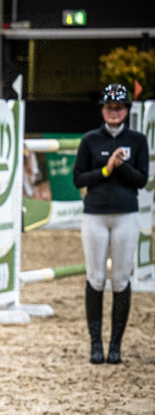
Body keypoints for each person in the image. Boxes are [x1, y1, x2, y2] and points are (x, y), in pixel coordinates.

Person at [72, 83, 149, 364]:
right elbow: (79, 179)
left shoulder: (137, 140)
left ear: (126, 110)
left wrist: (121, 165)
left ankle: (115, 345)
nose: (113, 112)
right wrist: (107, 169)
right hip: (95, 215)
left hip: (126, 215)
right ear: (103, 110)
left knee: (120, 279)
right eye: (108, 107)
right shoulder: (90, 140)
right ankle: (96, 344)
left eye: (118, 107)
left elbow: (141, 180)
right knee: (95, 278)